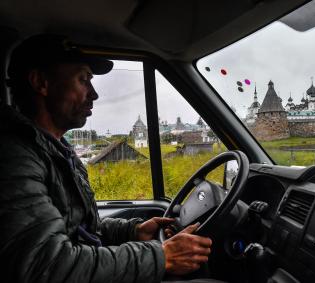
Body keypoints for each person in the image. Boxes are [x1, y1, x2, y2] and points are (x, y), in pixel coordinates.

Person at [0, 34, 224, 283]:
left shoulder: (55, 149)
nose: (94, 94)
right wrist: (162, 257)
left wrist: (134, 230)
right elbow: (46, 266)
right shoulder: (13, 156)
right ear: (41, 82)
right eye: (83, 79)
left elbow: (80, 229)